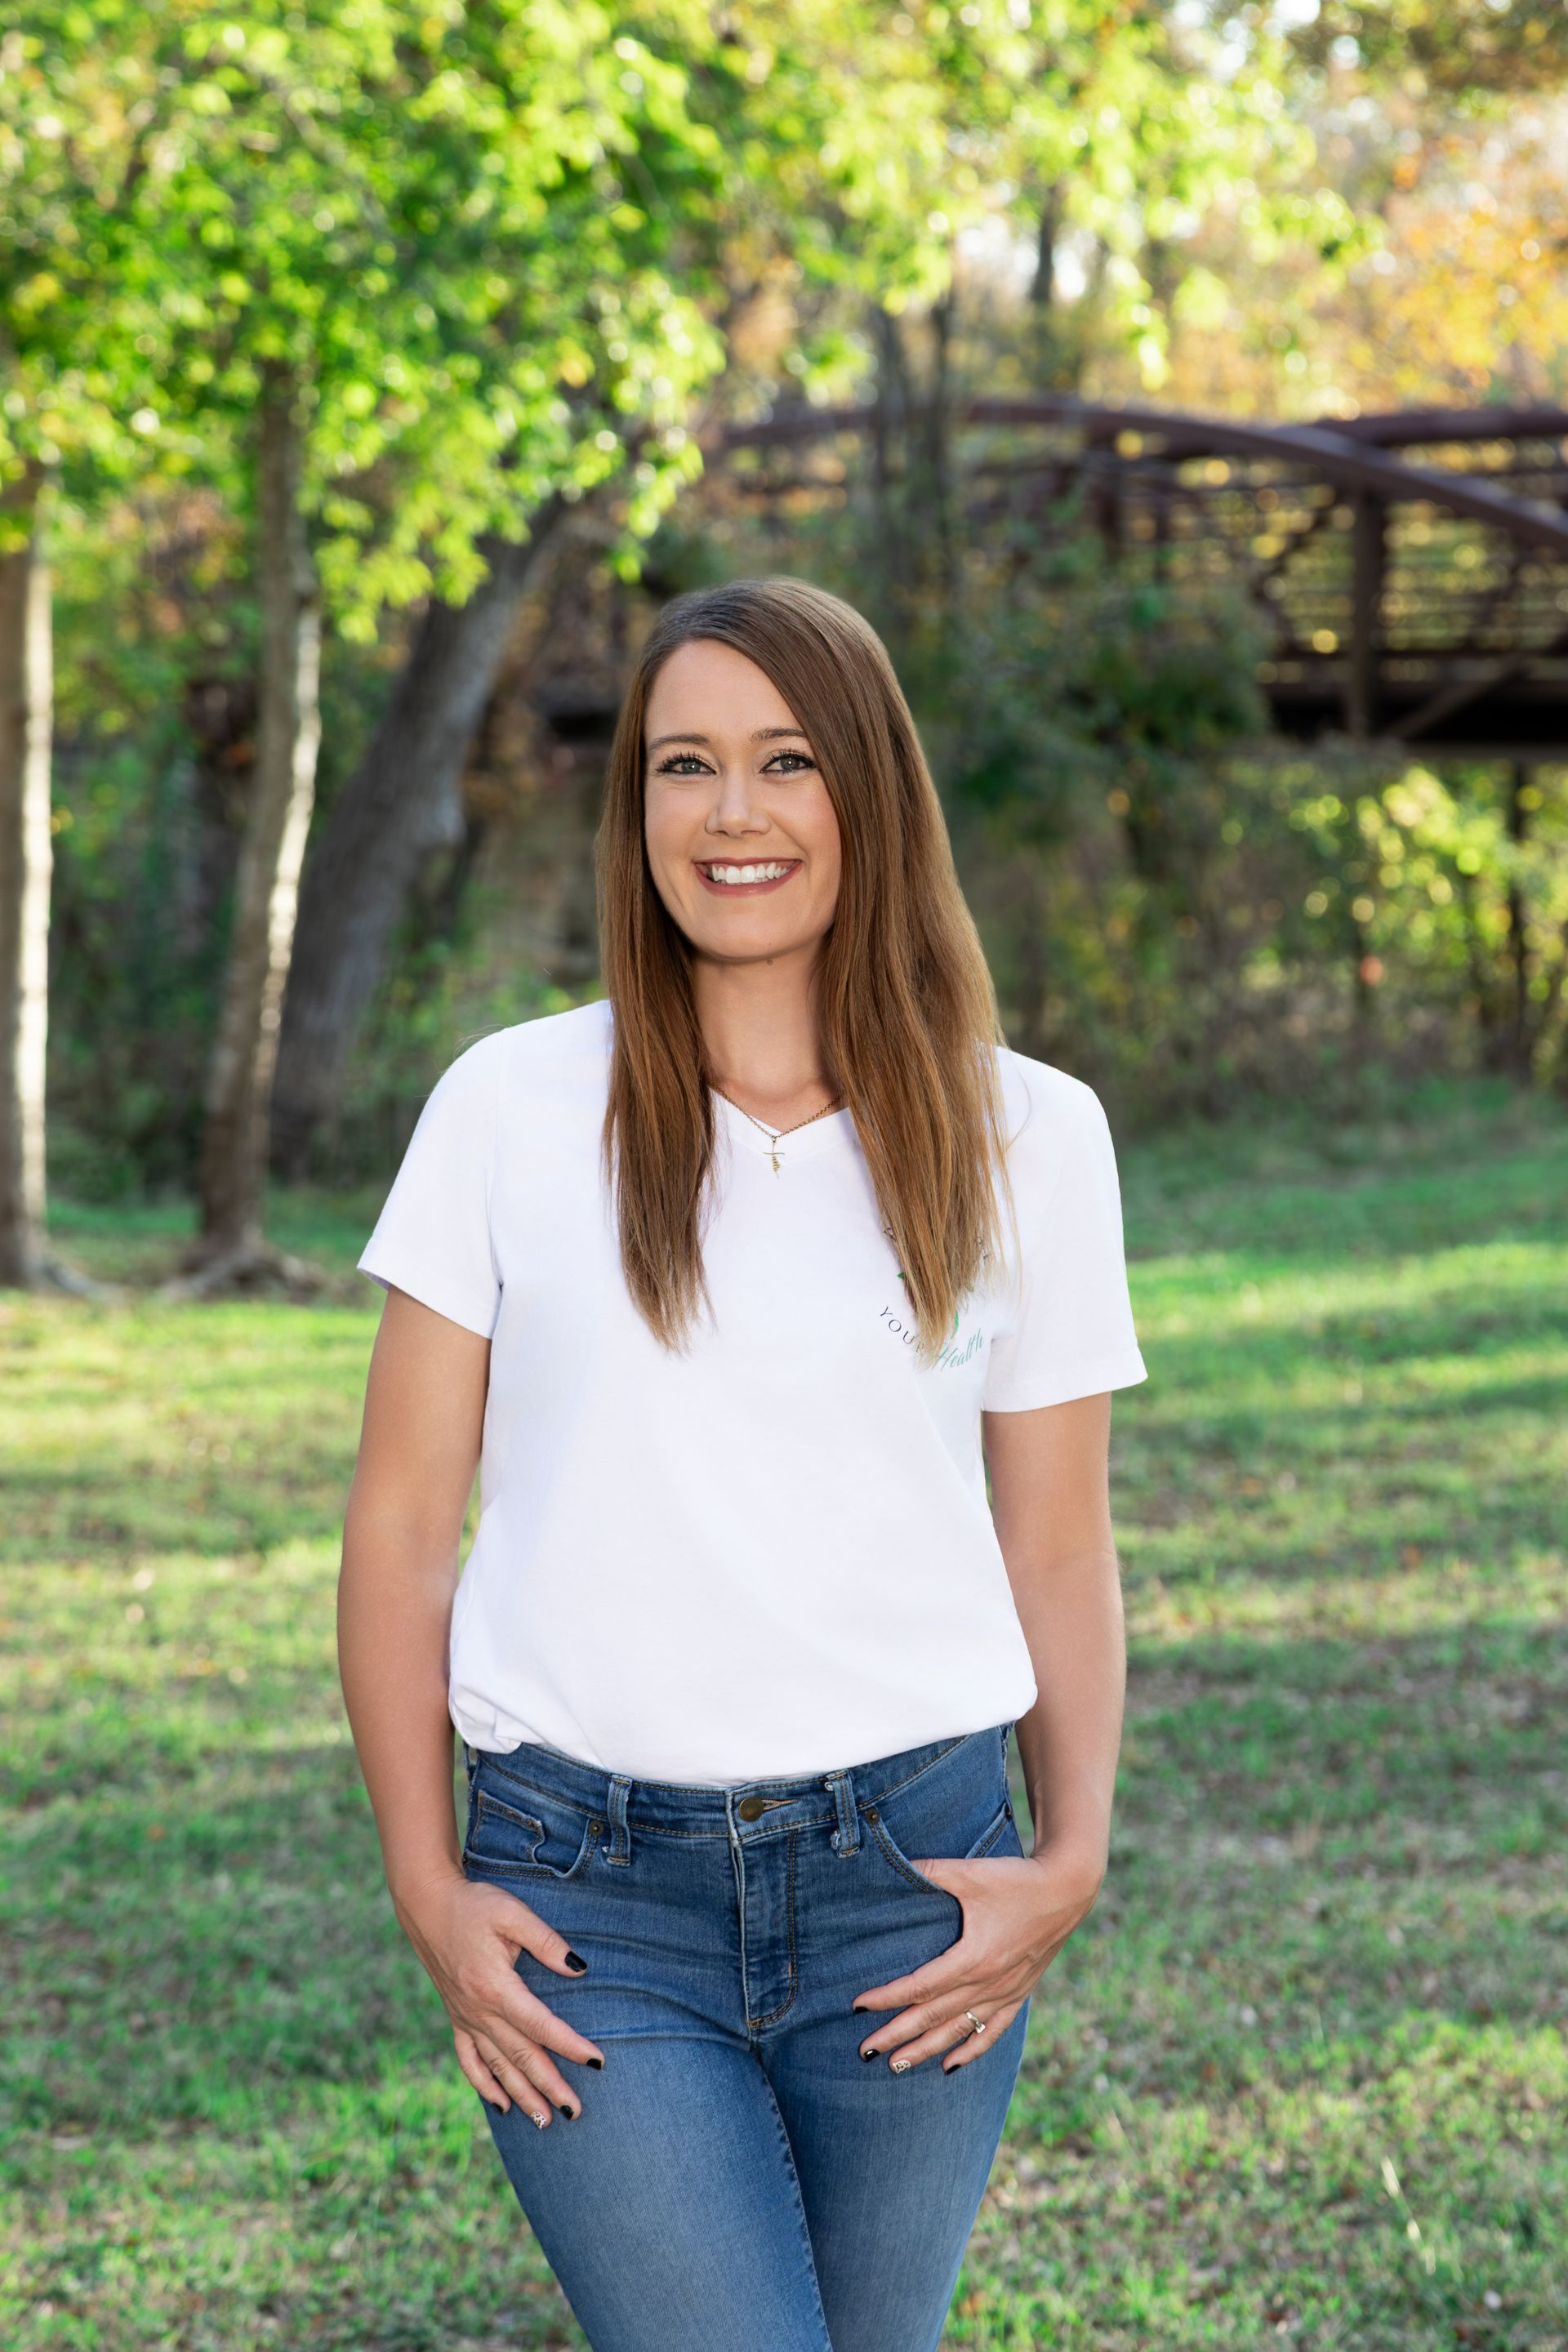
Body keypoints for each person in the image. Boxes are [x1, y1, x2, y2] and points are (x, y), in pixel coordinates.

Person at [338, 576, 1147, 2352]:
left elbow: (1058, 1548)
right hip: (585, 1900)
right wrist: (427, 1887)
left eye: (784, 761)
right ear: (636, 813)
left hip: (915, 1886)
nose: (732, 813)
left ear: (867, 789)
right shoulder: (510, 1109)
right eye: (682, 766)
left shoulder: (1034, 1134)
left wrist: (1073, 1851)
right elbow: (402, 1532)